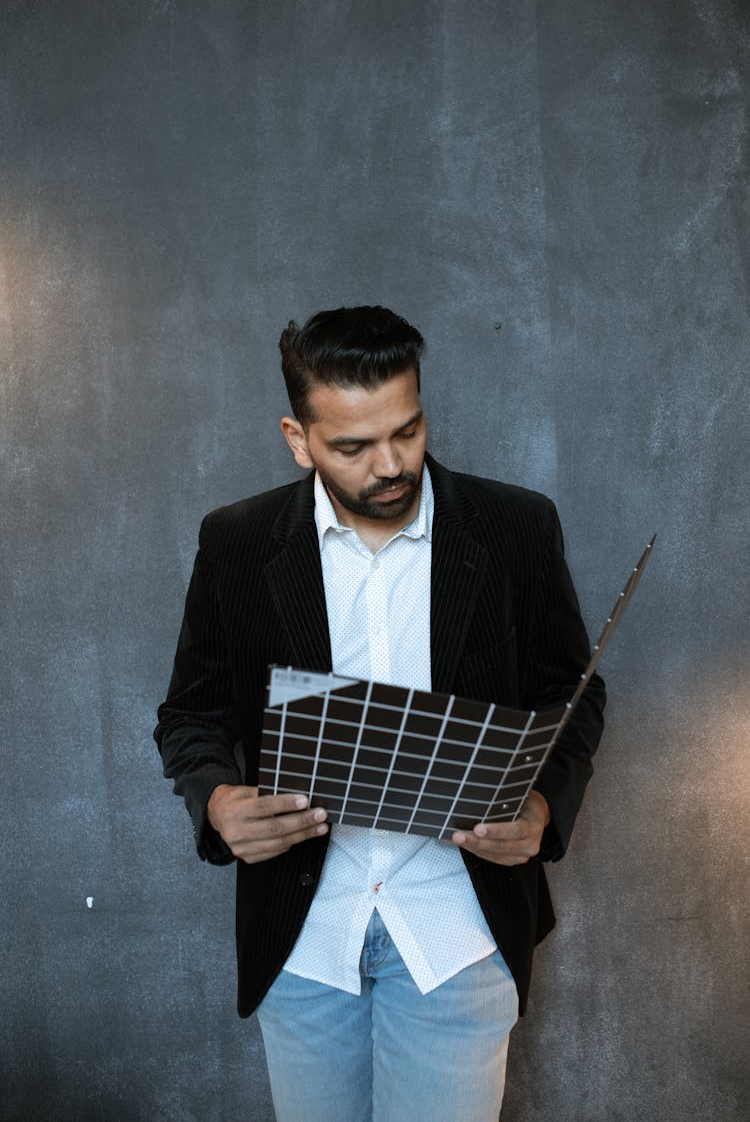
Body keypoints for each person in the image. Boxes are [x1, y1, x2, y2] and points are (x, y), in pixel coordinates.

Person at [154, 305, 606, 1121]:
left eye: (408, 429)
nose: (391, 464)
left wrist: (541, 809)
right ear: (299, 439)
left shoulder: (515, 528)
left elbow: (573, 695)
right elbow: (191, 714)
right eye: (353, 447)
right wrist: (219, 803)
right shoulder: (237, 542)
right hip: (303, 934)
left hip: (457, 928)